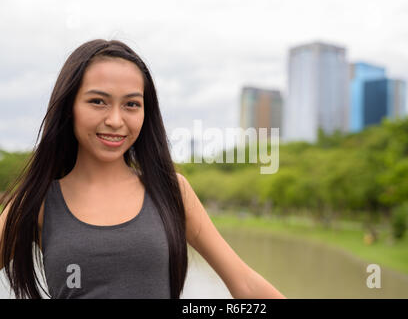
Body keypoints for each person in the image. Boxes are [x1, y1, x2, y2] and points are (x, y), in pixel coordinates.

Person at [0, 39, 286, 299]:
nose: (115, 120)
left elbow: (245, 284)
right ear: (69, 106)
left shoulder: (171, 191)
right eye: (98, 101)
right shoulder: (36, 201)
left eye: (131, 104)